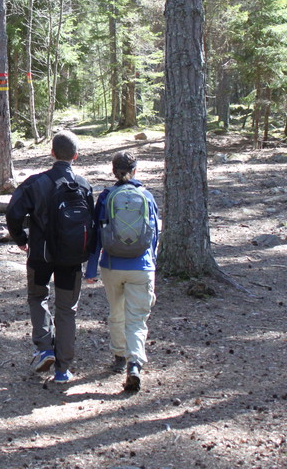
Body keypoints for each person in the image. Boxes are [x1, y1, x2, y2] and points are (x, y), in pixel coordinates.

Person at [6, 130, 95, 384]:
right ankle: (63, 369)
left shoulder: (36, 183)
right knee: (67, 309)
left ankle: (45, 349)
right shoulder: (84, 186)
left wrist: (22, 239)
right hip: (72, 259)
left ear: (52, 153)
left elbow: (13, 212)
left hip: (40, 257)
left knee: (37, 296)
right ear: (76, 156)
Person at [85, 151, 161, 392]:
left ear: (113, 171)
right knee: (137, 319)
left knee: (116, 312)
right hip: (142, 267)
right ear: (135, 170)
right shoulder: (147, 196)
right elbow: (154, 235)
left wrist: (91, 268)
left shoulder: (107, 196)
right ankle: (134, 363)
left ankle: (119, 356)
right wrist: (152, 261)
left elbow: (97, 234)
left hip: (112, 265)